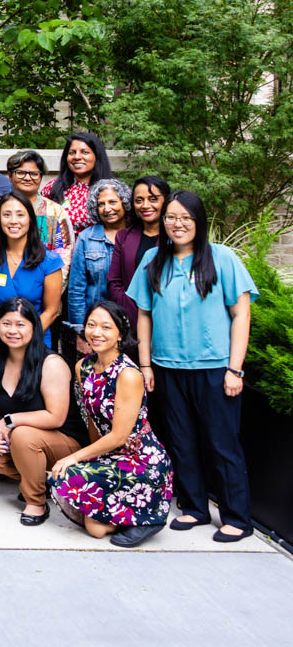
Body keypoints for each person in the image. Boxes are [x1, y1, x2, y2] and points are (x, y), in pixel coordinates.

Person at [130, 191, 259, 542]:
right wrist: (146, 365)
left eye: (186, 217)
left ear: (199, 221)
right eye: (171, 217)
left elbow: (241, 314)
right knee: (181, 441)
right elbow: (144, 314)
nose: (177, 224)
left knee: (222, 443)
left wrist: (235, 369)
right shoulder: (153, 260)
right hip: (167, 367)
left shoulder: (223, 258)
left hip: (216, 368)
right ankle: (194, 508)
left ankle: (237, 517)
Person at [50, 301, 174, 547]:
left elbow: (119, 436)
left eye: (106, 327)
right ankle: (134, 513)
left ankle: (149, 516)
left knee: (68, 475)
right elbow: (94, 420)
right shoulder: (82, 367)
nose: (96, 333)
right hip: (111, 456)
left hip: (140, 462)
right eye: (91, 325)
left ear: (120, 334)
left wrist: (75, 458)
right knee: (95, 529)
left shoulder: (128, 374)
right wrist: (92, 459)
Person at [0, 298, 83, 526]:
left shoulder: (51, 363)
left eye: (21, 325)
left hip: (64, 442)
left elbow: (56, 417)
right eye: (6, 323)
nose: (13, 330)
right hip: (23, 442)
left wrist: (10, 421)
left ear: (34, 328)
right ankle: (35, 481)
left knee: (23, 434)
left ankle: (36, 501)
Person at [0, 192, 64, 349]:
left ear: (30, 219)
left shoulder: (50, 261)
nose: (13, 221)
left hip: (34, 342)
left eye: (20, 215)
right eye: (6, 214)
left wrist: (25, 339)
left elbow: (51, 310)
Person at [0, 150, 75, 263]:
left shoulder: (55, 211)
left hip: (46, 279)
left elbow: (65, 254)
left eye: (34, 173)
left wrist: (54, 280)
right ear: (10, 176)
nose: (27, 178)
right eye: (20, 172)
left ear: (41, 177)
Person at [67, 178, 132, 344]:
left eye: (112, 202)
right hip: (97, 329)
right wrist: (80, 332)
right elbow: (77, 289)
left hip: (133, 324)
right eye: (101, 204)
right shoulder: (86, 238)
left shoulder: (137, 236)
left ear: (124, 203)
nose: (107, 209)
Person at [108, 175, 171, 328]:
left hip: (167, 317)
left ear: (166, 201)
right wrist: (134, 313)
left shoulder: (175, 236)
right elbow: (114, 282)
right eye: (139, 200)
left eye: (153, 199)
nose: (145, 205)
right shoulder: (124, 236)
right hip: (130, 319)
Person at [44, 131, 113, 234]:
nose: (77, 157)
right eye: (72, 152)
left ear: (97, 156)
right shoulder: (53, 187)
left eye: (84, 152)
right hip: (58, 248)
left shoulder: (111, 189)